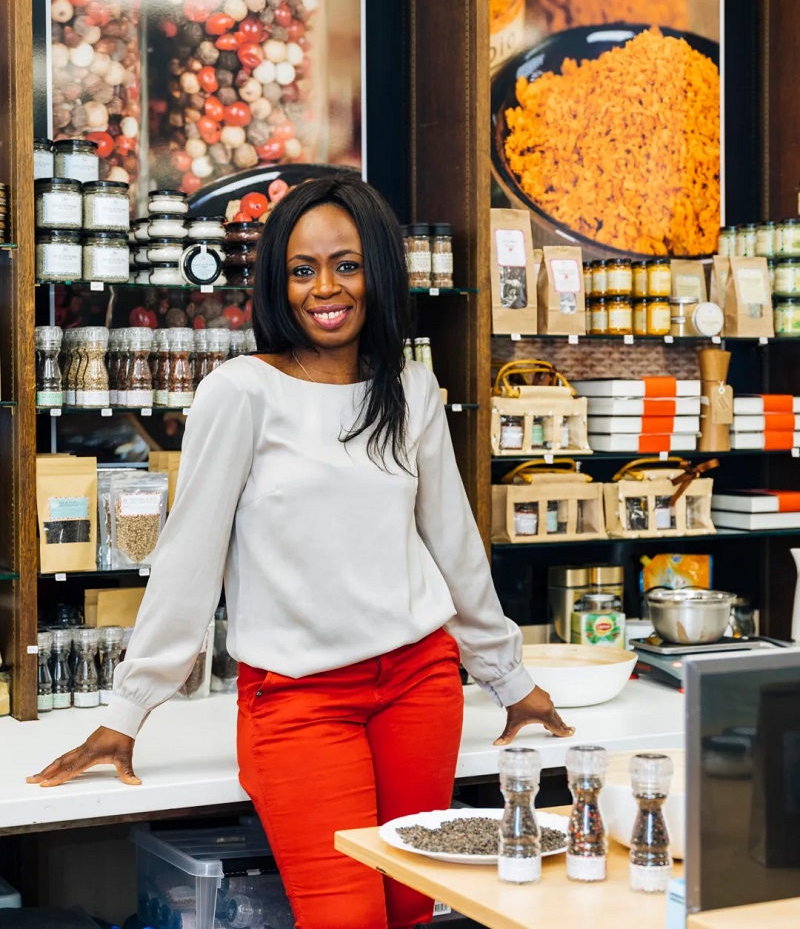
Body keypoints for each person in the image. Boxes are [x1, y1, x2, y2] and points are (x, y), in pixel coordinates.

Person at [29, 174, 573, 929]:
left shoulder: (410, 390)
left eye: (346, 265)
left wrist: (511, 680)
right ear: (276, 283)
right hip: (298, 700)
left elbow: (454, 545)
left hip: (419, 683)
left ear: (377, 272)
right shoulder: (240, 391)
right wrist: (128, 710)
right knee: (346, 919)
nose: (326, 288)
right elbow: (189, 558)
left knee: (414, 910)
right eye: (302, 268)